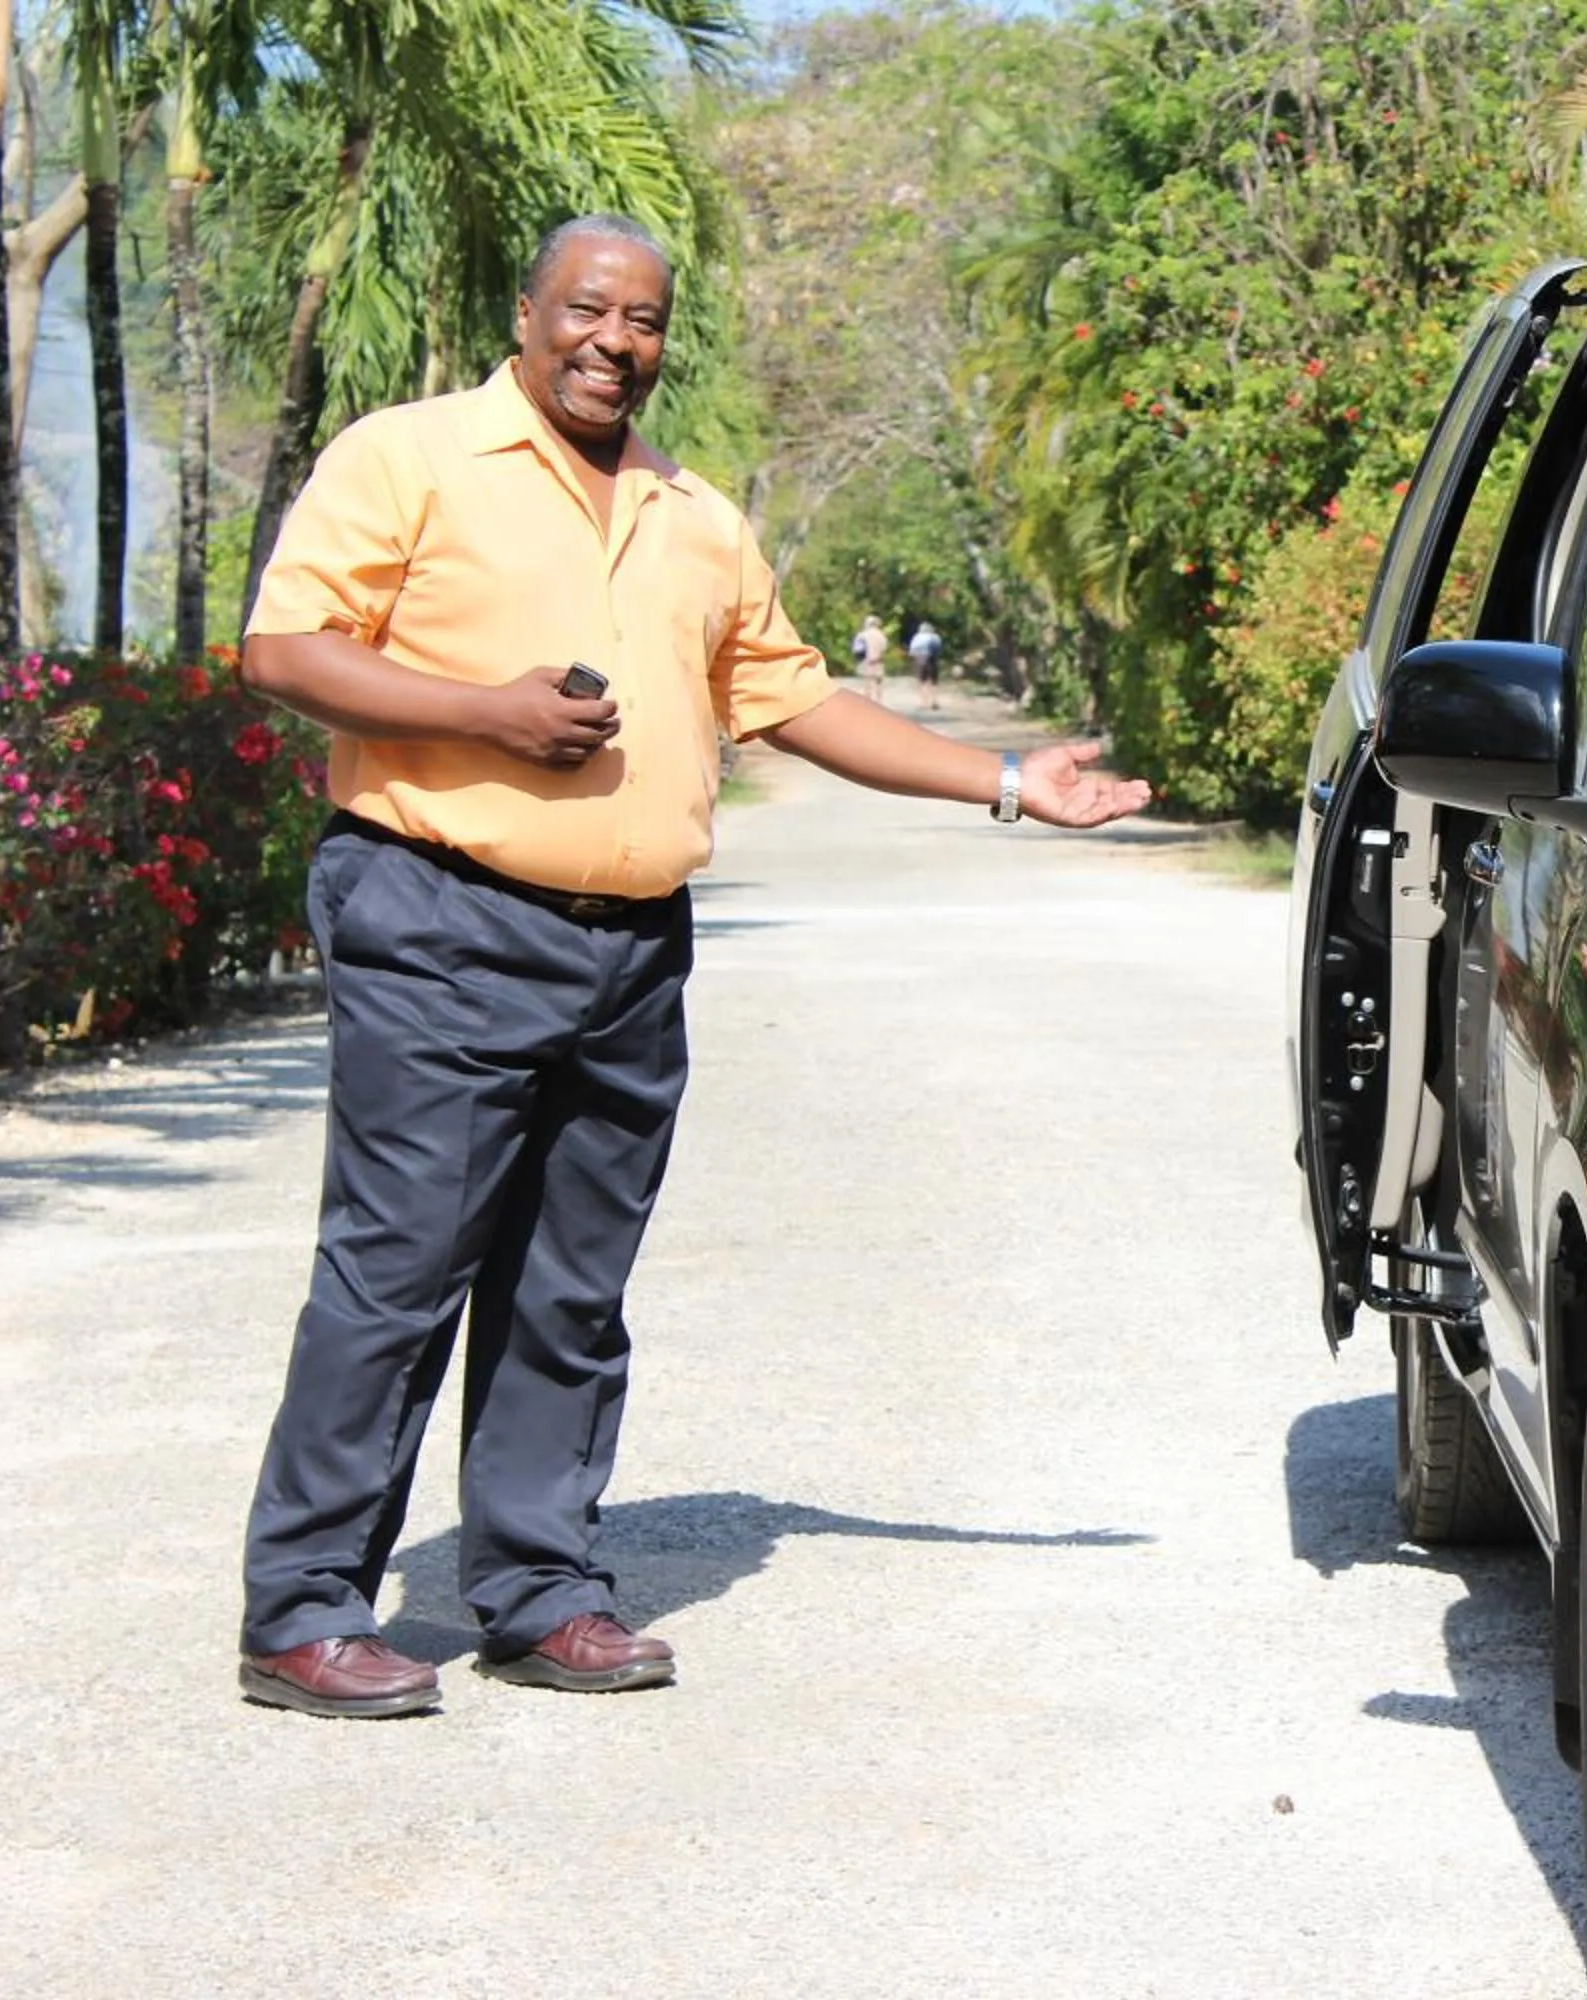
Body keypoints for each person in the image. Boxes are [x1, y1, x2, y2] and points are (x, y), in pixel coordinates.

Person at [230, 213, 1151, 1720]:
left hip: (629, 951)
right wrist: (488, 714)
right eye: (586, 310)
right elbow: (287, 651)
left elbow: (792, 701)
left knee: (568, 1289)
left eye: (644, 320)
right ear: (527, 314)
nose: (614, 341)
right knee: (399, 1272)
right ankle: (306, 1607)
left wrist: (1002, 784)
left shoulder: (693, 515)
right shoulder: (408, 458)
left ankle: (536, 1588)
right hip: (438, 913)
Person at [850, 614, 890, 706]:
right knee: (879, 681)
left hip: (867, 660)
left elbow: (856, 649)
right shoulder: (881, 635)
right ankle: (879, 701)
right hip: (879, 660)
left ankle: (868, 701)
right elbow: (884, 648)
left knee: (868, 681)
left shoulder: (862, 635)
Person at [906, 618, 944, 710]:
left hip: (920, 660)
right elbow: (939, 649)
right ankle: (934, 701)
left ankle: (924, 702)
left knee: (922, 681)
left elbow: (912, 651)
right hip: (933, 660)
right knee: (934, 681)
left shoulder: (917, 637)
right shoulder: (935, 637)